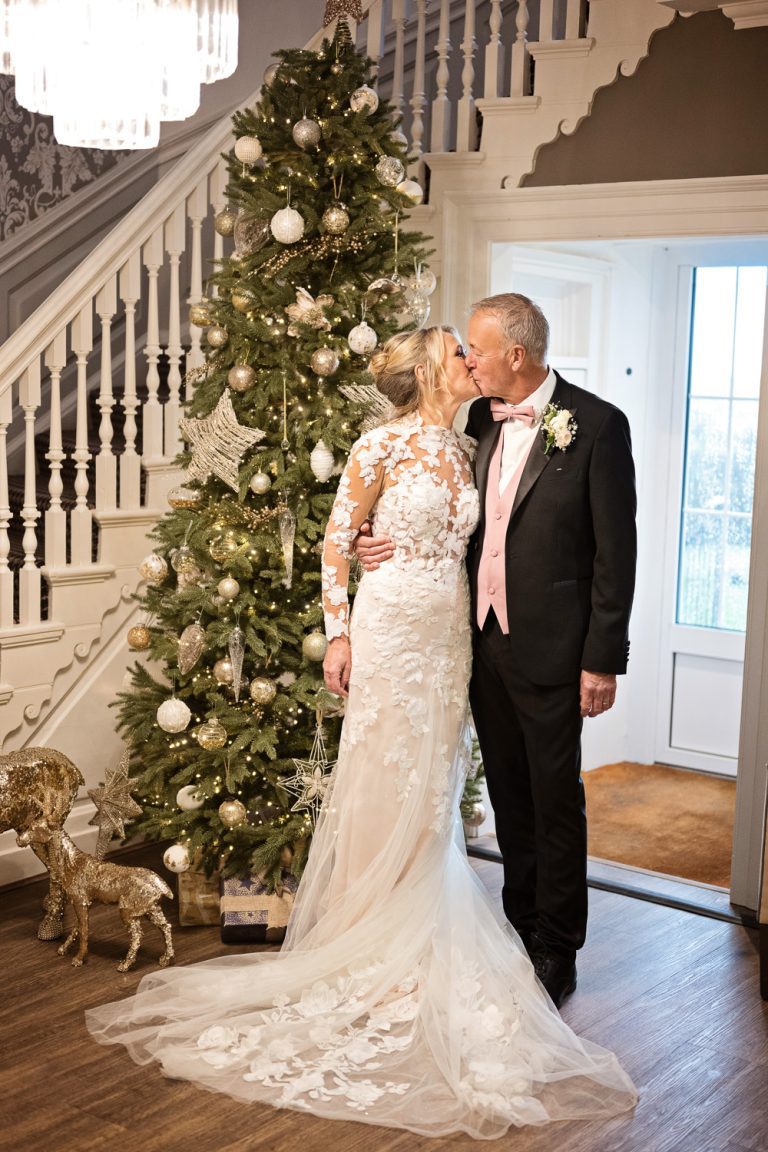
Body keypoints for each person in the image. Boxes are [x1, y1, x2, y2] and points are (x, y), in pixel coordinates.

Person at [86, 326, 636, 1138]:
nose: (469, 362)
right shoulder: (378, 444)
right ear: (426, 370)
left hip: (454, 638)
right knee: (381, 777)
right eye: (458, 353)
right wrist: (338, 633)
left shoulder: (472, 438)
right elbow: (337, 542)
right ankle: (363, 938)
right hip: (388, 632)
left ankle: (436, 926)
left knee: (431, 786)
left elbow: (501, 537)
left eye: (473, 349)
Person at [357, 296, 637, 1010]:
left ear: (517, 355)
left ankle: (557, 945)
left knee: (555, 799)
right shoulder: (478, 420)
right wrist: (371, 544)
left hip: (555, 649)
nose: (467, 361)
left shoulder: (598, 425)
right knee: (510, 796)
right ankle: (516, 926)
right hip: (478, 642)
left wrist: (602, 658)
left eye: (475, 351)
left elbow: (616, 556)